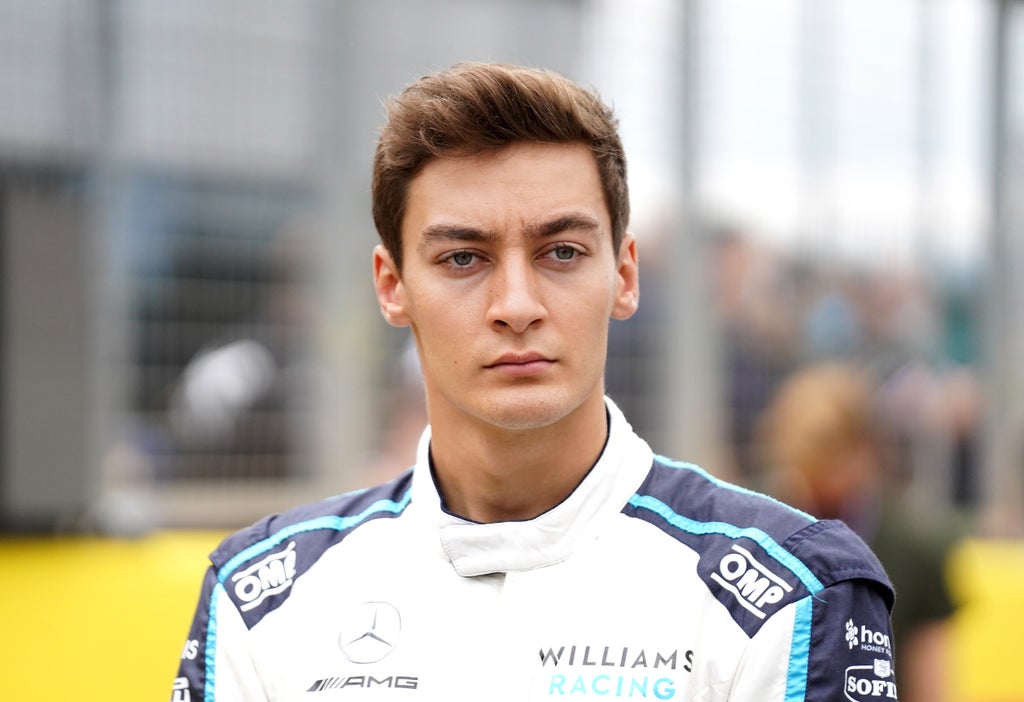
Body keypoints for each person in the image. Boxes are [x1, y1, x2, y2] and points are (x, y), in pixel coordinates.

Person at [171, 62, 897, 701]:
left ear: (625, 275)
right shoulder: (261, 598)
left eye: (562, 252)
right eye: (463, 259)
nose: (516, 306)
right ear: (393, 287)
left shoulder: (787, 595)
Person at [756, 362, 962, 702]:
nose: (818, 486)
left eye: (829, 467)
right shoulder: (755, 531)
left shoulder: (913, 543)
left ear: (864, 450)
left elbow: (930, 683)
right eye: (804, 470)